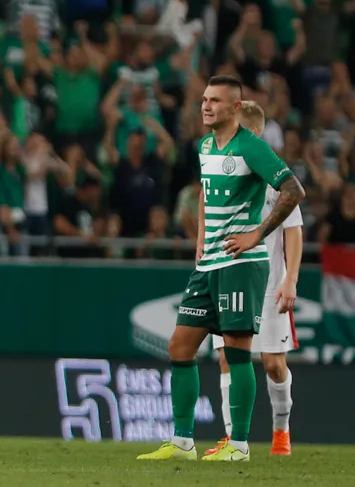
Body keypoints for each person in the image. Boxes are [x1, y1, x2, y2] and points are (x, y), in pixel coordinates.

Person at [140, 75, 305, 463]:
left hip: (240, 264)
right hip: (209, 262)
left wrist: (257, 234)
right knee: (180, 344)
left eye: (214, 100)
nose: (205, 106)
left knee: (238, 352)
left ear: (234, 108)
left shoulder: (252, 147)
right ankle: (182, 442)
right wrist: (201, 239)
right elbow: (204, 194)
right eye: (204, 99)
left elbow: (293, 190)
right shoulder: (205, 145)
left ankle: (240, 445)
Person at [204, 101, 302, 458]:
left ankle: (281, 429)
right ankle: (233, 438)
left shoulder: (275, 176)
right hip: (229, 279)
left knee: (274, 364)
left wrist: (290, 278)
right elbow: (206, 207)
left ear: (254, 134)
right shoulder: (225, 171)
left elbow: (293, 230)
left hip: (269, 284)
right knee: (228, 358)